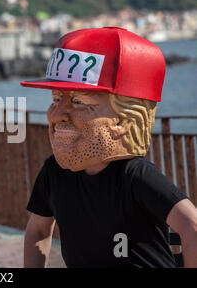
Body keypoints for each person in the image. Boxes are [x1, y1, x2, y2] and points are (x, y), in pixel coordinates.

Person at [21, 27, 197, 268]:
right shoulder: (54, 171)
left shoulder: (134, 175)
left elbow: (192, 225)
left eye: (79, 102)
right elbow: (38, 229)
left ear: (123, 121)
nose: (58, 114)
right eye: (55, 99)